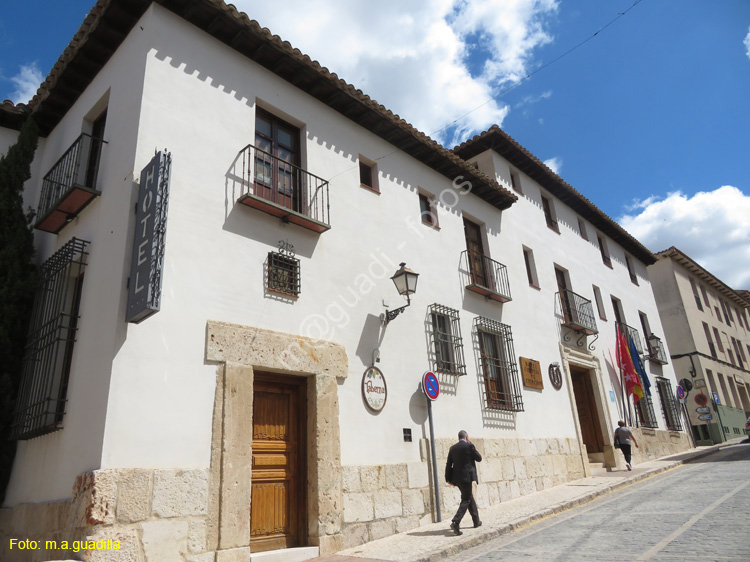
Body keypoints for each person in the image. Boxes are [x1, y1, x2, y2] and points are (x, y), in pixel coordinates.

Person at [445, 429, 482, 535]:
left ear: (458, 438)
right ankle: (456, 522)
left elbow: (448, 464)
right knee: (466, 499)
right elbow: (479, 458)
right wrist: (472, 444)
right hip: (467, 478)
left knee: (469, 497)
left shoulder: (453, 448)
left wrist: (448, 479)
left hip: (457, 479)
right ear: (466, 437)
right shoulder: (469, 446)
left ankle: (476, 521)